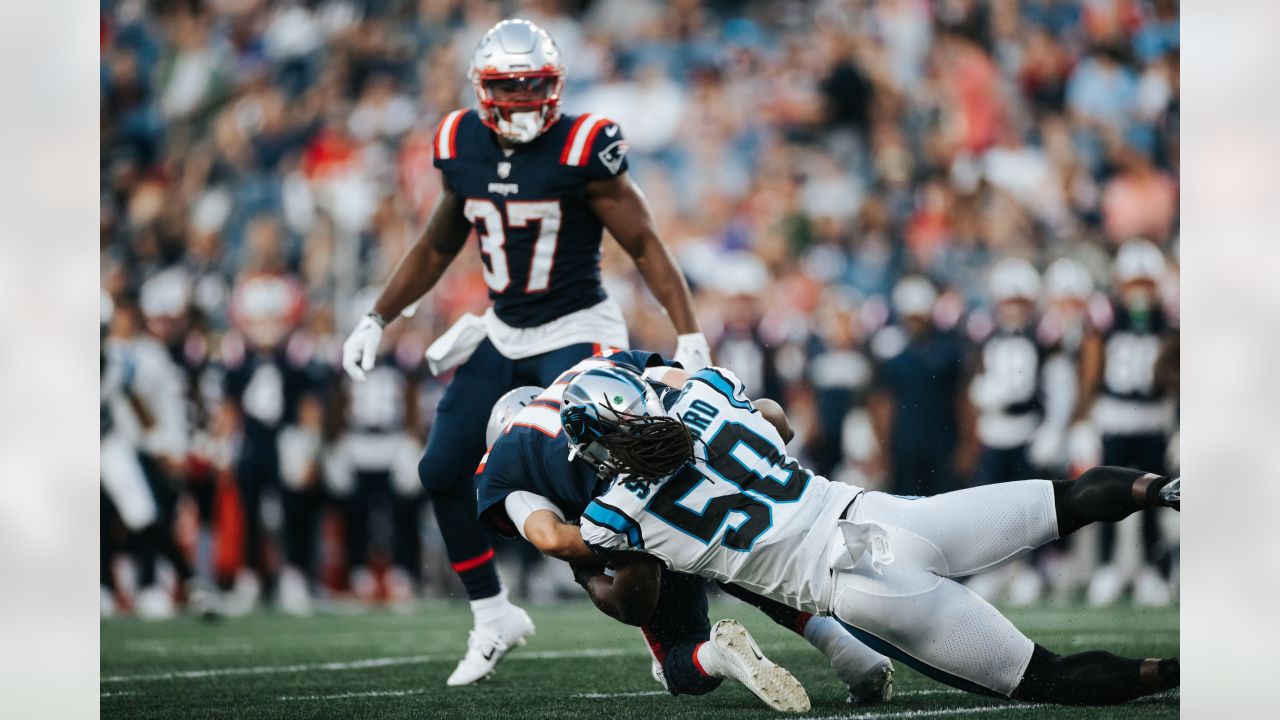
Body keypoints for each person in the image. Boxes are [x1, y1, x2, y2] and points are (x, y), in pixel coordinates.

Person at [339, 19, 709, 686]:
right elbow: (434, 245)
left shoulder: (583, 146)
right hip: (505, 332)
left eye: (534, 85)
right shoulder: (461, 143)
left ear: (555, 85)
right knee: (441, 468)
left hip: (578, 330)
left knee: (617, 473)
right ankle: (493, 614)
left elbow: (646, 243)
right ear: (483, 89)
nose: (522, 99)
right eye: (509, 87)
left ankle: (669, 635)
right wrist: (378, 315)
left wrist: (688, 331)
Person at [554, 363, 1179, 706]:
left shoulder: (615, 516)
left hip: (859, 585)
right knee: (1068, 500)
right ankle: (1167, 489)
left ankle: (1185, 674)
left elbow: (632, 601)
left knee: (1048, 677)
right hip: (890, 515)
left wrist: (584, 572)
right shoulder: (706, 391)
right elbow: (778, 424)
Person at [473, 351, 894, 709]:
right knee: (737, 556)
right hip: (694, 463)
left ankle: (717, 656)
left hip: (630, 509)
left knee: (667, 648)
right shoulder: (597, 363)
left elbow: (551, 537)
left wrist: (594, 566)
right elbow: (689, 386)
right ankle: (853, 655)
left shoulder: (506, 457)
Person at [1070, 238, 1178, 606]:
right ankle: (1106, 568)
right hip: (1113, 417)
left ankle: (1151, 569)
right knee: (1106, 495)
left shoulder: (1170, 315)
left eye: (1146, 282)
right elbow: (1090, 370)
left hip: (1152, 418)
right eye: (1134, 282)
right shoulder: (1106, 314)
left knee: (1156, 498)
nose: (1140, 290)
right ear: (1120, 282)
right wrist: (1082, 421)